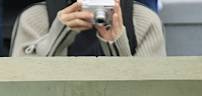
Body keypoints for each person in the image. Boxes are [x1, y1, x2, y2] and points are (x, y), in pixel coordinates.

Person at [10, 0, 166, 56]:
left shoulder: (145, 21)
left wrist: (116, 45)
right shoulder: (34, 18)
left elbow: (147, 95)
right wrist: (57, 38)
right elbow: (22, 88)